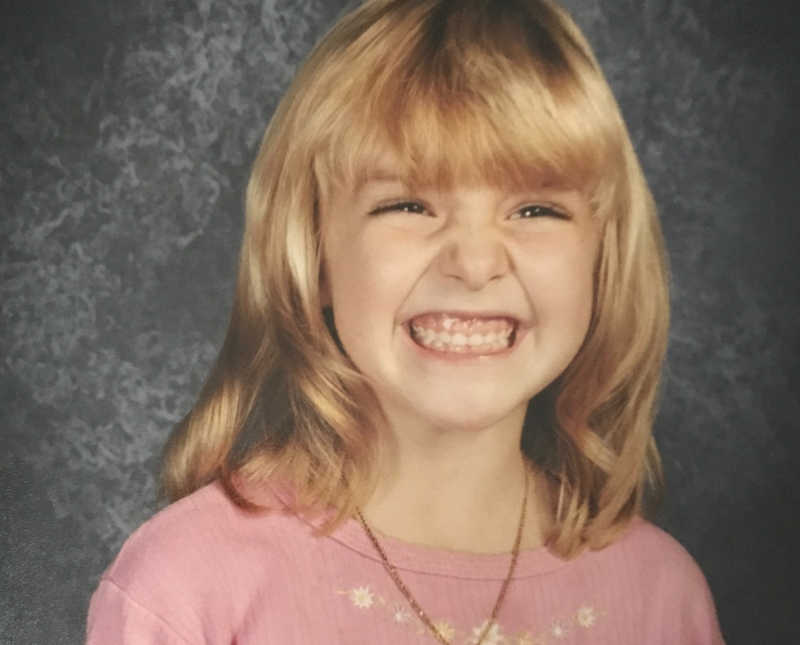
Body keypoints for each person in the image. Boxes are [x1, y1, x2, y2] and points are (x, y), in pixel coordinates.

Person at [86, 0, 725, 643]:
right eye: (409, 203)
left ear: (603, 259)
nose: (474, 263)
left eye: (535, 210)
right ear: (316, 255)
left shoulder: (660, 597)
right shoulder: (186, 585)